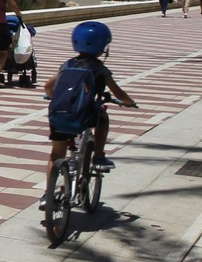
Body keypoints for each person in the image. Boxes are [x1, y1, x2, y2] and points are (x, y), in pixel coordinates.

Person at [43, 21, 138, 183]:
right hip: (84, 116)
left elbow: (47, 86)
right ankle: (99, 156)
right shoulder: (100, 69)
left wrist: (52, 96)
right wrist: (128, 101)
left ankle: (47, 195)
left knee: (57, 154)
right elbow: (117, 92)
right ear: (103, 47)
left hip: (58, 115)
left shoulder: (67, 65)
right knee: (102, 116)